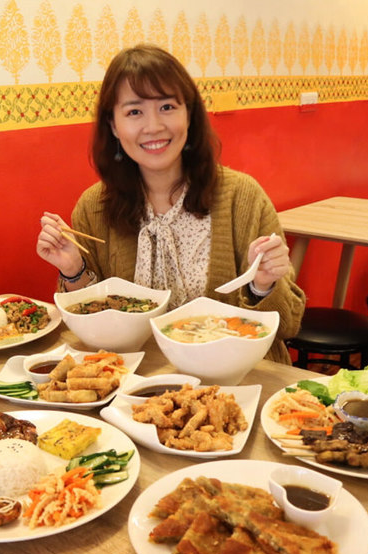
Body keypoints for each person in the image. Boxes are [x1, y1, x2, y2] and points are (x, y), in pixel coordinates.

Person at [36, 44, 305, 363]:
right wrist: (72, 270)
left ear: (189, 114)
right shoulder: (94, 206)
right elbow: (90, 324)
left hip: (237, 378)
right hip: (135, 385)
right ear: (113, 125)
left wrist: (263, 285)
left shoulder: (241, 197)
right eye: (134, 112)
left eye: (166, 107)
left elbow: (288, 325)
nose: (153, 126)